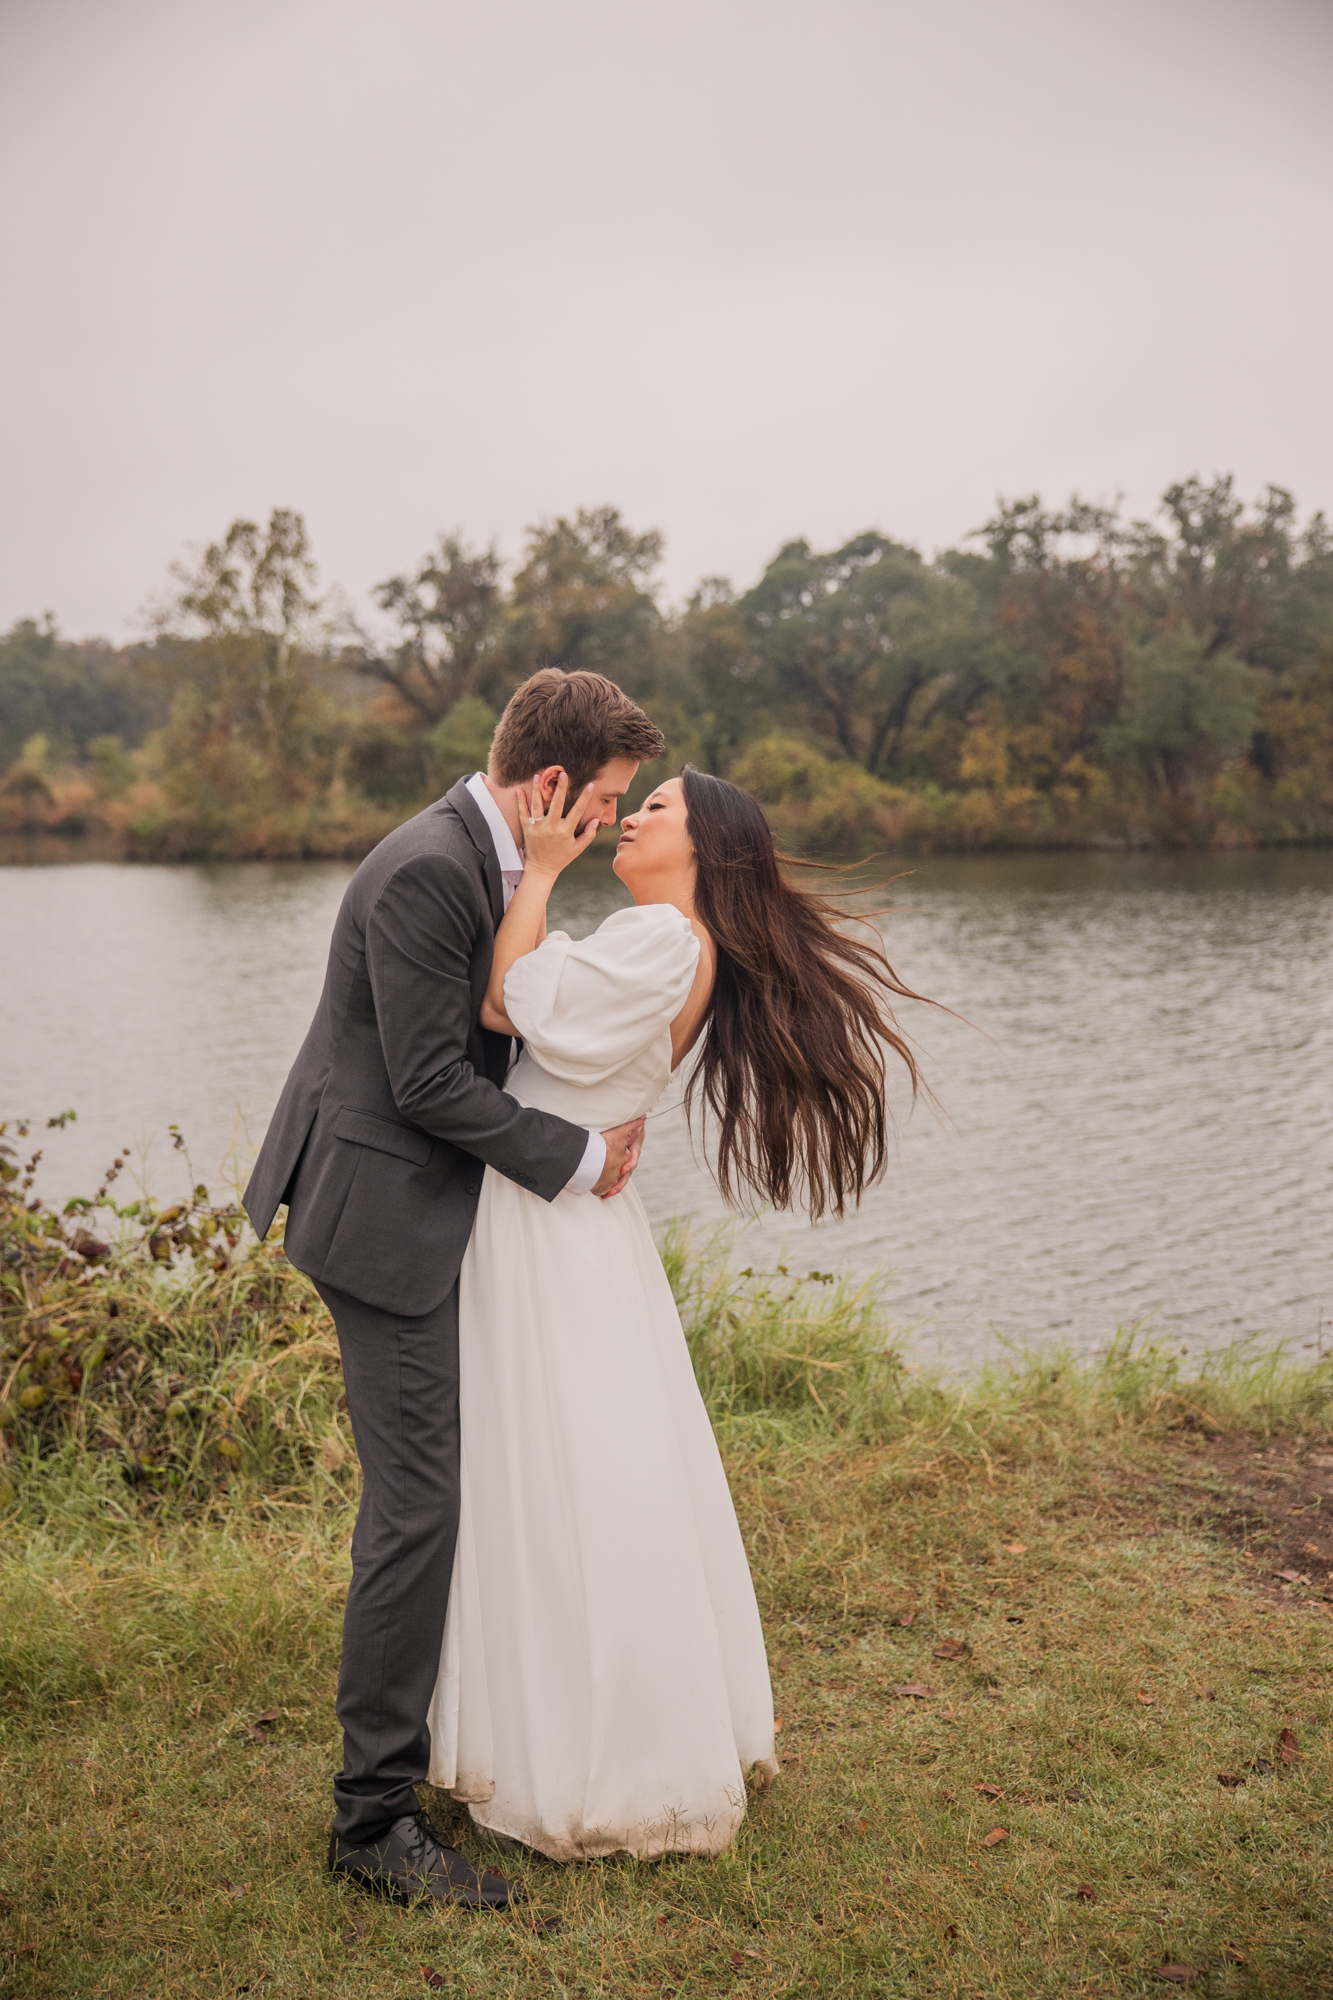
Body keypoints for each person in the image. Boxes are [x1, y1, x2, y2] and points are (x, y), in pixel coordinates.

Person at [425, 764, 924, 1862]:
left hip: (550, 1220)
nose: (633, 815)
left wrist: (539, 872)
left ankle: (596, 1740)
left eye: (657, 808)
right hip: (570, 1207)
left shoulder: (662, 939)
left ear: (704, 848)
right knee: (586, 1463)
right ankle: (566, 1713)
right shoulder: (667, 940)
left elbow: (503, 1003)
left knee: (565, 1471)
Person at [242, 668, 665, 1909]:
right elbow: (429, 1081)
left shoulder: (485, 861)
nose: (598, 827)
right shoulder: (432, 868)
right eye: (599, 804)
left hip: (407, 1204)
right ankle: (371, 1821)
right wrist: (580, 1157)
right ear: (547, 788)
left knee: (427, 1493)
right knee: (418, 1506)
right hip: (381, 1217)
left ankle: (419, 1760)